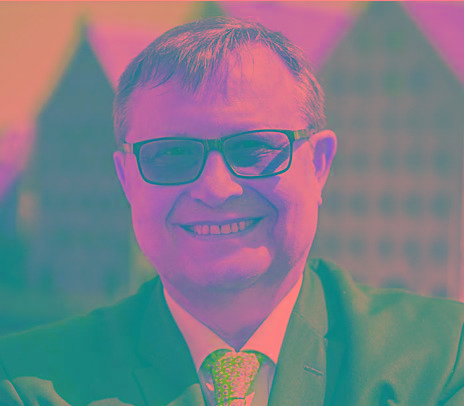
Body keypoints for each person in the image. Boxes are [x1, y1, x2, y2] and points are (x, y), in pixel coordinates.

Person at [1, 17, 463, 406]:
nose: (216, 189)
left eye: (254, 149)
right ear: (127, 180)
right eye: (172, 155)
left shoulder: (441, 359)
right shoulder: (26, 382)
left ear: (319, 165)